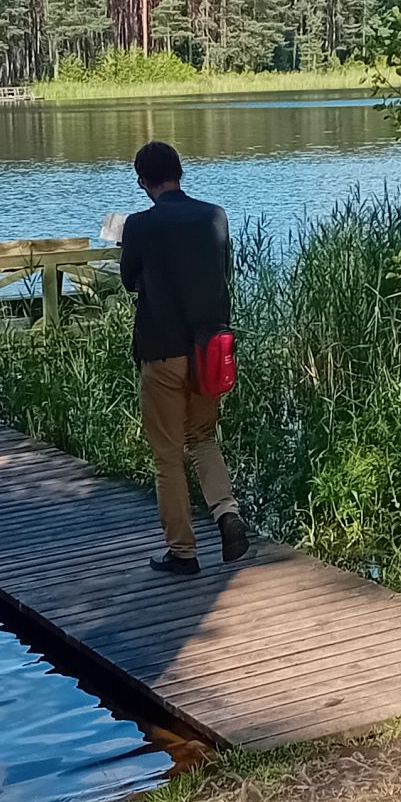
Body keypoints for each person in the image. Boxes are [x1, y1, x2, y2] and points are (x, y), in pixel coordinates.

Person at [118, 140, 250, 575]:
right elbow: (223, 273)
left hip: (161, 352)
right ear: (181, 172)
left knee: (168, 455)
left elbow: (129, 281)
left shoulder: (139, 225)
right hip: (209, 350)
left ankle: (183, 552)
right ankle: (226, 513)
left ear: (143, 182)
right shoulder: (215, 216)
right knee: (204, 439)